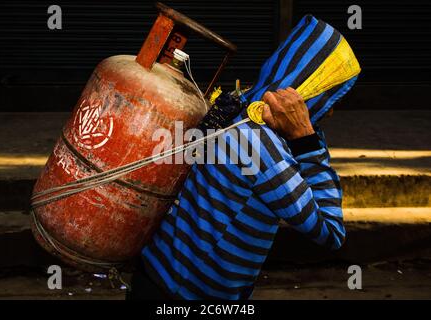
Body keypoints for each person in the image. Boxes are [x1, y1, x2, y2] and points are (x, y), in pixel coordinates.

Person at [127, 15, 353, 300]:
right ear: (307, 90)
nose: (331, 110)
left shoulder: (237, 102)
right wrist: (307, 138)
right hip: (189, 294)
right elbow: (330, 231)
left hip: (157, 269)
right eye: (329, 96)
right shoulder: (264, 148)